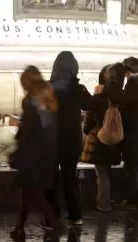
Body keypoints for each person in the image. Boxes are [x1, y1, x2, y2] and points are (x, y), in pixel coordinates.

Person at [9, 66, 60, 242]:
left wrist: (18, 128)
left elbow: (28, 133)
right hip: (45, 157)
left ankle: (56, 224)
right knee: (28, 194)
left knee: (35, 195)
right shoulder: (49, 102)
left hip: (31, 159)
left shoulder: (31, 104)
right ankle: (19, 228)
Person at [47, 51, 91, 225]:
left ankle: (51, 217)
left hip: (52, 142)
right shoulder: (78, 88)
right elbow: (90, 105)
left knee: (51, 179)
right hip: (72, 142)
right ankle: (76, 215)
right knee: (70, 178)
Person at [106, 56, 138, 209]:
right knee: (137, 166)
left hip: (133, 132)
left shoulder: (134, 84)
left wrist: (112, 84)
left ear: (127, 71)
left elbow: (121, 98)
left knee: (131, 167)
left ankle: (132, 200)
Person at [84, 63, 125, 212]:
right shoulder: (122, 95)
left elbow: (89, 116)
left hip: (100, 139)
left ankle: (103, 204)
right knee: (106, 171)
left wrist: (86, 129)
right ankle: (108, 199)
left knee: (101, 173)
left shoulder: (99, 96)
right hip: (115, 139)